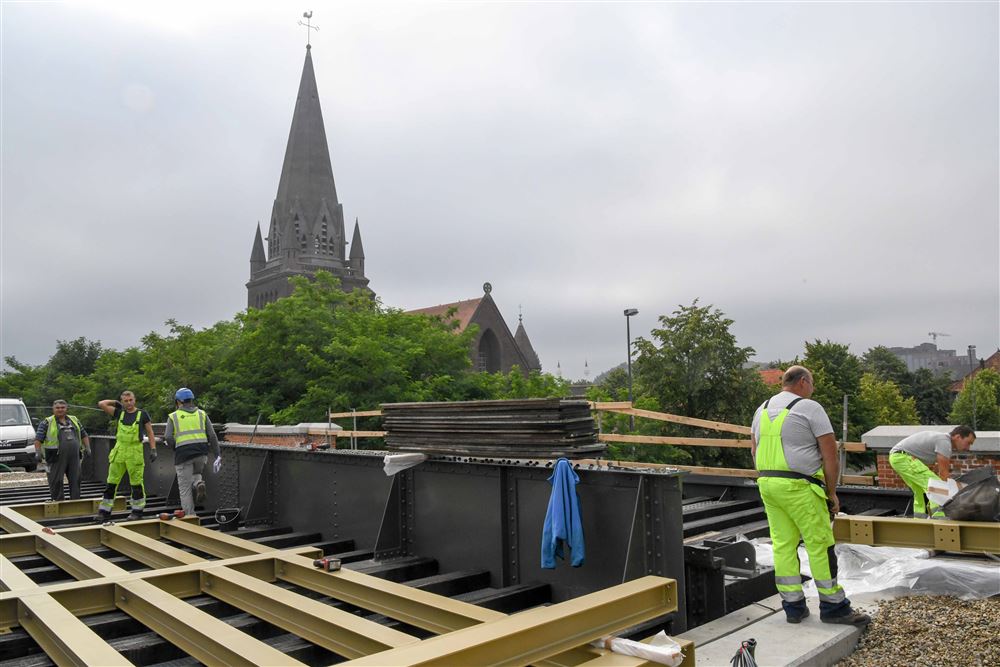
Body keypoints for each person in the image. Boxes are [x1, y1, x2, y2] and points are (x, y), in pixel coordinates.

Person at [751, 365, 869, 626]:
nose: (812, 389)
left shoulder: (761, 409)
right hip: (800, 488)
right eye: (812, 383)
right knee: (819, 544)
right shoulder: (810, 407)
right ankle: (834, 607)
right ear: (803, 382)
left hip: (769, 484)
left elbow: (754, 450)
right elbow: (829, 454)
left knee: (783, 545)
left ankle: (793, 607)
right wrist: (832, 492)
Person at [889, 427, 976, 519]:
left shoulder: (941, 440)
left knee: (921, 492)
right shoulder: (944, 442)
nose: (968, 447)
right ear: (958, 437)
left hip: (899, 458)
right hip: (904, 458)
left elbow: (936, 470)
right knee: (935, 486)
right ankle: (939, 517)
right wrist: (958, 489)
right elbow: (943, 474)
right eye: (968, 443)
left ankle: (920, 518)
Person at [96, 391, 157, 521]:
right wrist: (114, 403)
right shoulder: (119, 413)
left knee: (136, 483)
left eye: (130, 400)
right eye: (125, 401)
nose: (129, 403)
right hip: (119, 451)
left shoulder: (142, 414)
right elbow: (101, 404)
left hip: (135, 452)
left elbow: (150, 432)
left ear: (134, 400)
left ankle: (137, 511)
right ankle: (104, 511)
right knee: (111, 482)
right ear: (122, 402)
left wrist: (153, 449)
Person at [164, 388, 221, 516]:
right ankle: (198, 483)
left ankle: (190, 516)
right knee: (196, 473)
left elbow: (167, 437)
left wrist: (175, 448)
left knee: (184, 488)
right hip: (201, 453)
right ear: (192, 400)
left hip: (183, 455)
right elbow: (212, 436)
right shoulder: (202, 414)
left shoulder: (173, 416)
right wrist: (217, 454)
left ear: (178, 401)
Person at [33, 400, 91, 500]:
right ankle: (58, 502)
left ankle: (76, 502)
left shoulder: (74, 419)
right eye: (58, 408)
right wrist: (38, 452)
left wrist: (88, 447)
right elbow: (38, 439)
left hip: (74, 457)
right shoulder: (47, 422)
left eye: (62, 407)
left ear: (66, 408)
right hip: (53, 457)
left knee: (76, 479)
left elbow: (83, 434)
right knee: (55, 481)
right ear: (53, 409)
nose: (60, 410)